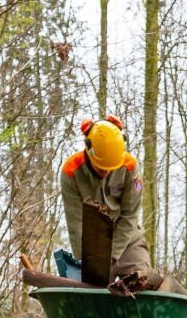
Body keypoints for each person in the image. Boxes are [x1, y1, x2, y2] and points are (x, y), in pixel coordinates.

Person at [61, 116, 175, 293]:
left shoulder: (130, 167)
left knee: (141, 281)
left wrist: (112, 256)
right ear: (88, 151)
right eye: (101, 167)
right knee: (92, 294)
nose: (106, 172)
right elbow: (76, 226)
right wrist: (87, 263)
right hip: (94, 246)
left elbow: (130, 216)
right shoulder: (71, 172)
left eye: (111, 168)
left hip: (129, 239)